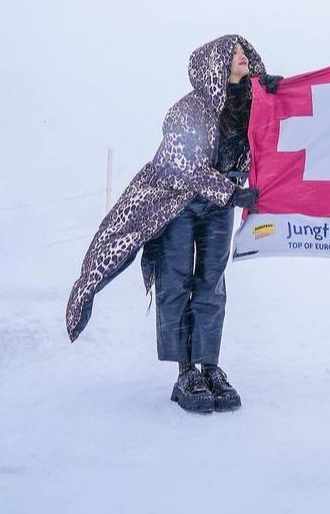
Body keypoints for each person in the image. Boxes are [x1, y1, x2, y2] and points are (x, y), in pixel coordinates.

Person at [66, 34, 282, 414]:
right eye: (231, 53)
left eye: (243, 50)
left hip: (217, 203)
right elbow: (184, 166)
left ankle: (210, 366)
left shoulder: (251, 104)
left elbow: (274, 131)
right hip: (175, 202)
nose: (241, 56)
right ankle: (185, 373)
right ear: (215, 66)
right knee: (176, 281)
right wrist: (230, 193)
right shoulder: (188, 109)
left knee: (211, 283)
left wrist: (278, 96)